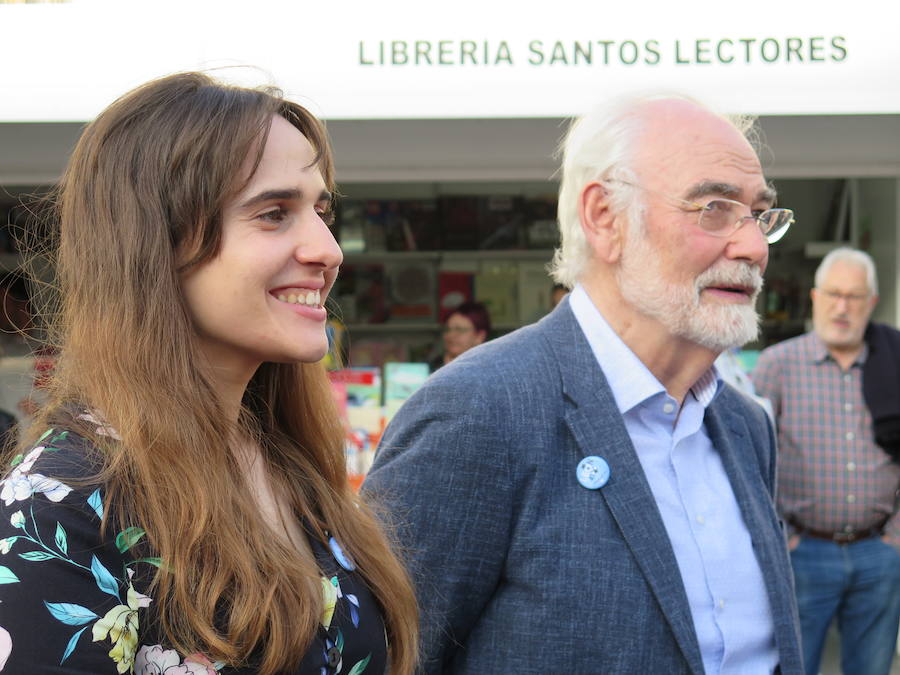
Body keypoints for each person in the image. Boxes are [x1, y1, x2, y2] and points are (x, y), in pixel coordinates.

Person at [363, 93, 803, 673]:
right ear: (606, 219)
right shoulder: (476, 413)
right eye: (715, 208)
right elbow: (387, 658)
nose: (752, 247)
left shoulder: (746, 427)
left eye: (759, 215)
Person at [0, 72, 417, 674]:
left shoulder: (285, 463)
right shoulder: (60, 507)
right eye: (274, 213)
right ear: (155, 243)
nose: (328, 250)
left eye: (321, 212)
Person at [753, 247, 900, 675]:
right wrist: (784, 538)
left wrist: (895, 537)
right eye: (833, 294)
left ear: (871, 303)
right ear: (815, 297)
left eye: (854, 297)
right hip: (802, 554)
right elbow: (751, 461)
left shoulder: (893, 362)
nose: (842, 307)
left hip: (879, 552)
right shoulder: (777, 365)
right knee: (794, 666)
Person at [429, 301, 490, 371]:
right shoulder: (428, 369)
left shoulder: (489, 371)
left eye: (459, 329)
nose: (450, 335)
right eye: (447, 329)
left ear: (480, 336)